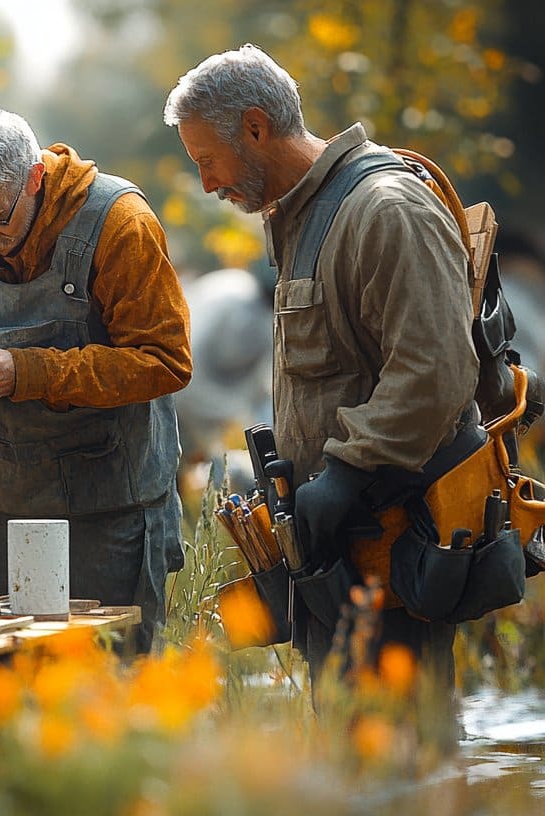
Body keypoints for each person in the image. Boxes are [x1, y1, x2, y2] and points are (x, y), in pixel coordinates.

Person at [163, 45, 477, 690]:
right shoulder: (301, 220)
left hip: (393, 551)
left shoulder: (386, 211)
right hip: (337, 556)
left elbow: (436, 372)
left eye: (206, 160)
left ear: (255, 127)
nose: (207, 184)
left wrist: (345, 470)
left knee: (403, 760)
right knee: (349, 762)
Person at [0, 105, 191, 651]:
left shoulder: (118, 224)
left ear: (34, 179)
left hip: (109, 513)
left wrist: (28, 372)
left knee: (108, 692)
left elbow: (164, 360)